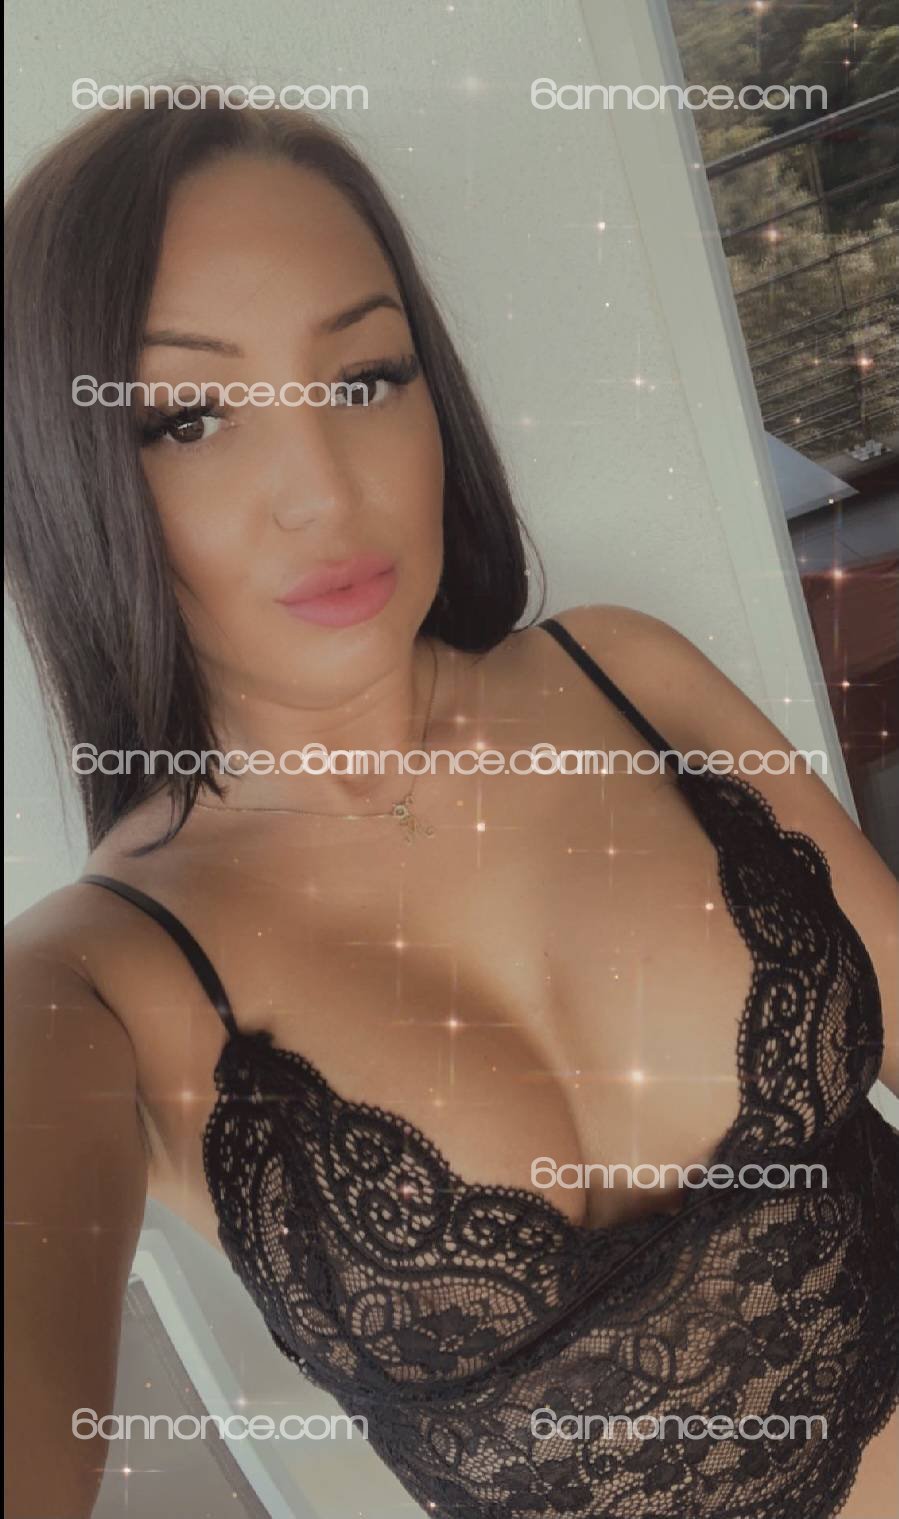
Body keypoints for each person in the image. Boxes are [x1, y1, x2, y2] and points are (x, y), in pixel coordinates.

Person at [5, 92, 898, 1519]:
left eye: (364, 378)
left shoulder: (624, 675)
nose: (323, 493)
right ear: (66, 478)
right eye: (188, 416)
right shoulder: (85, 988)